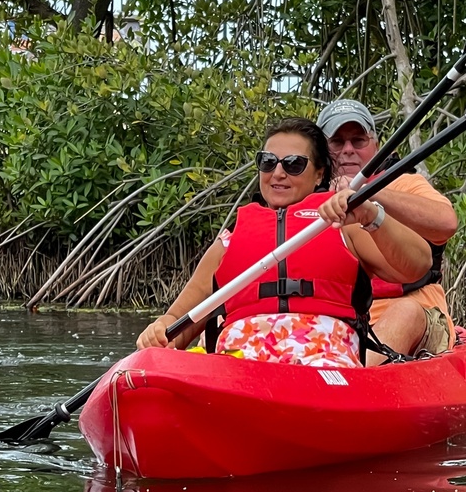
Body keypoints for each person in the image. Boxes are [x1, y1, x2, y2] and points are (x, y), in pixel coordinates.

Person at [136, 117, 432, 368]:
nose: (278, 173)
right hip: (240, 368)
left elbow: (418, 265)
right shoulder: (229, 241)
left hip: (324, 368)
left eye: (293, 164)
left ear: (319, 174)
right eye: (268, 162)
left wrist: (371, 215)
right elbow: (178, 321)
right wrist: (160, 329)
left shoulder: (345, 223)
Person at [317, 99, 458, 365]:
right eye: (337, 142)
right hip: (338, 320)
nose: (348, 150)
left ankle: (351, 381)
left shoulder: (405, 183)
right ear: (322, 151)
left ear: (376, 146)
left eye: (358, 141)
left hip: (412, 313)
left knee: (404, 312)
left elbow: (447, 222)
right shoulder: (307, 194)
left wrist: (369, 191)